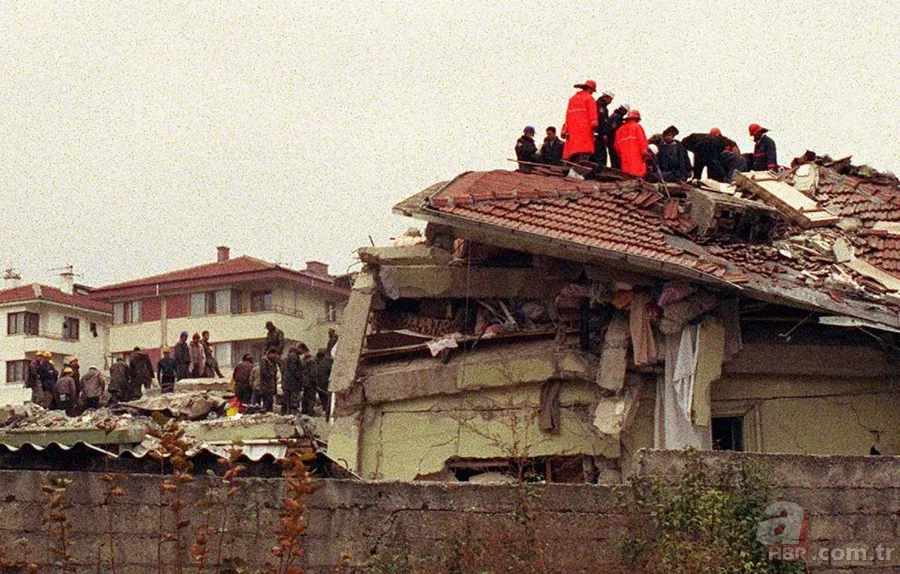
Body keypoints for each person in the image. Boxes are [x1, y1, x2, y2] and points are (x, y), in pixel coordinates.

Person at [561, 79, 598, 163]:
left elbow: (567, 116)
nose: (592, 93)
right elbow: (593, 118)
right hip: (585, 133)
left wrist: (564, 129)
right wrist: (595, 129)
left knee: (573, 155)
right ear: (590, 89)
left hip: (572, 134)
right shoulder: (589, 98)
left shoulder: (572, 99)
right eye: (592, 91)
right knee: (583, 157)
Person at [615, 109, 649, 178]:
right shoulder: (637, 127)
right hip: (637, 157)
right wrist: (645, 152)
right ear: (636, 119)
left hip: (624, 159)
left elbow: (616, 146)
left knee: (627, 175)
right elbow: (642, 140)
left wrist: (620, 154)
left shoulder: (619, 131)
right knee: (638, 174)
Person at [592, 89, 615, 168]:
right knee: (600, 155)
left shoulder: (601, 106)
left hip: (598, 134)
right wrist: (604, 133)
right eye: (611, 99)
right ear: (607, 97)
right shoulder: (600, 106)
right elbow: (602, 120)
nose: (610, 102)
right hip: (599, 134)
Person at [311, 349, 334, 419]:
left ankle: (325, 410)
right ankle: (328, 412)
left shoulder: (315, 362)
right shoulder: (329, 361)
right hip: (325, 383)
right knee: (328, 399)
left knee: (323, 398)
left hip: (318, 384)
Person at [255, 348, 279, 412]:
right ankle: (265, 412)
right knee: (267, 401)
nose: (275, 356)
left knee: (270, 401)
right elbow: (264, 372)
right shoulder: (264, 360)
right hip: (266, 385)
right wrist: (270, 375)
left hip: (270, 385)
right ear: (270, 353)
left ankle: (269, 412)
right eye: (274, 355)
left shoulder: (272, 361)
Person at [282, 346, 303, 415]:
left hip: (288, 381)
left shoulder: (290, 355)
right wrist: (299, 377)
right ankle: (292, 413)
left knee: (287, 399)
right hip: (293, 382)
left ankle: (286, 413)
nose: (302, 353)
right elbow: (293, 368)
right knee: (293, 398)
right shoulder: (294, 356)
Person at [607, 105, 629, 169]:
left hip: (610, 139)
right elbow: (614, 128)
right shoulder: (617, 117)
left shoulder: (615, 115)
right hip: (613, 140)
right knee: (615, 157)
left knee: (613, 156)